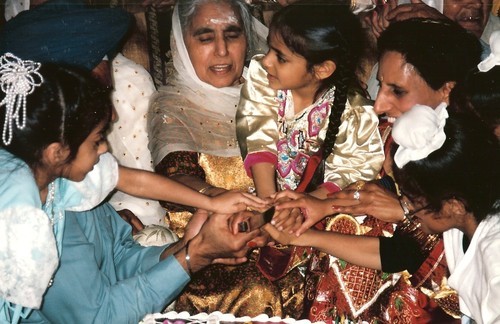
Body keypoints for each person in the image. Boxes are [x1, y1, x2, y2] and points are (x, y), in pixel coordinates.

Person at [0, 56, 265, 323]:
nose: (105, 148)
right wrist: (195, 256)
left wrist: (188, 243)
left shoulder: (68, 179)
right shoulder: (29, 227)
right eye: (97, 141)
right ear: (58, 152)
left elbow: (119, 256)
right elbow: (101, 318)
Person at [264, 18, 483, 322]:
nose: (379, 104)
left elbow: (419, 249)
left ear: (447, 91)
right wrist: (321, 206)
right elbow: (363, 188)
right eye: (380, 85)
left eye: (398, 91)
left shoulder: (469, 155)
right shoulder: (380, 132)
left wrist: (405, 213)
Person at [268, 107, 500, 323]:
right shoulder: (461, 221)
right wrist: (300, 237)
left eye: (412, 199)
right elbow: (397, 253)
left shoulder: (495, 253)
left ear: (453, 205)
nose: (404, 205)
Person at [235, 1, 386, 318]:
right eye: (269, 50)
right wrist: (269, 206)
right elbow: (258, 137)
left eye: (281, 57)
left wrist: (303, 206)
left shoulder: (354, 109)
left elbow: (352, 171)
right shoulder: (262, 80)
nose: (266, 62)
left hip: (319, 209)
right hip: (265, 195)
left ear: (322, 69)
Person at [147, 0, 281, 317]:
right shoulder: (172, 104)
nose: (221, 51)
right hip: (213, 246)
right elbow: (174, 179)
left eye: (232, 35)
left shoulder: (272, 94)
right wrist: (229, 201)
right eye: (205, 37)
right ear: (182, 42)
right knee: (256, 289)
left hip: (283, 232)